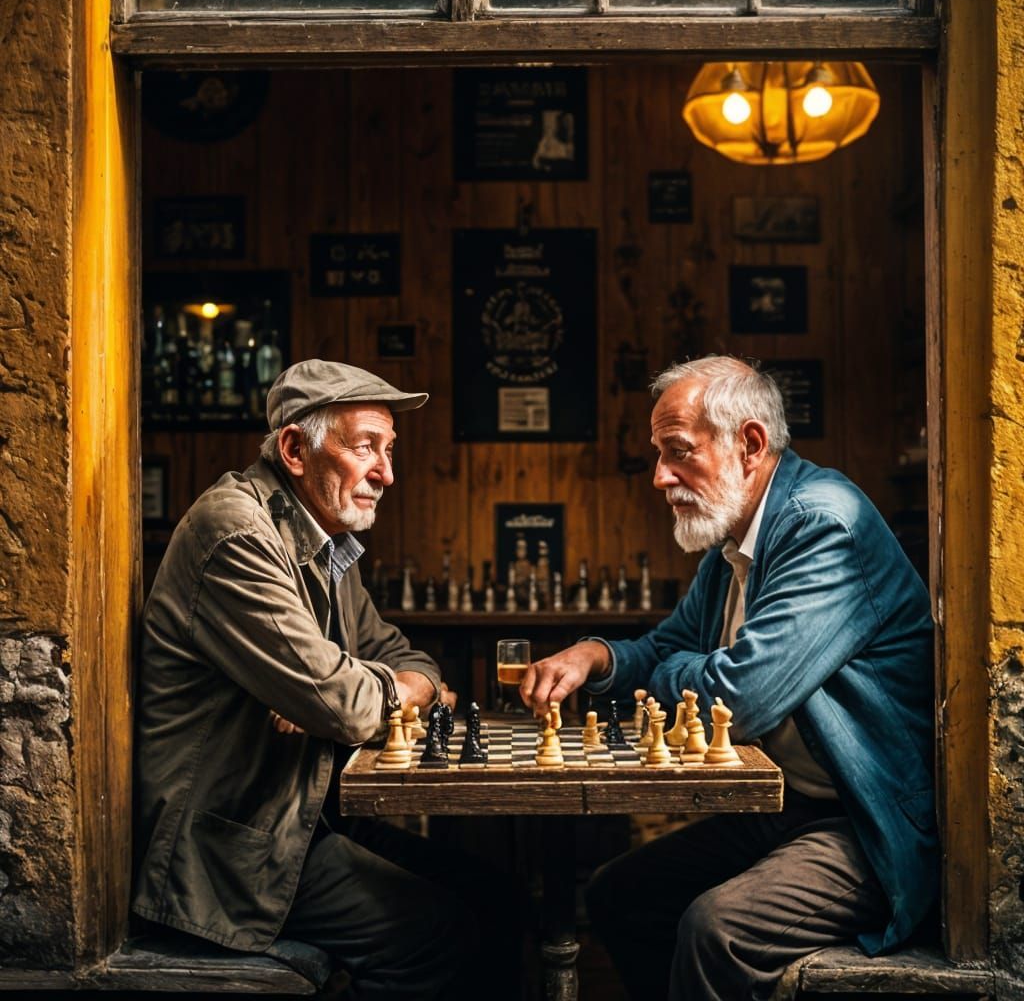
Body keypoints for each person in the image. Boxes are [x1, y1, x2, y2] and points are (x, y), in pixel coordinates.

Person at [521, 355, 938, 1001]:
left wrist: (675, 671)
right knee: (617, 894)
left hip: (865, 824)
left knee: (717, 931)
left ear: (749, 443)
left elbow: (739, 701)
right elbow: (670, 648)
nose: (660, 477)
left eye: (679, 452)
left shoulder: (823, 521)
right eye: (660, 455)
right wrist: (595, 657)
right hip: (785, 807)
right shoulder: (732, 544)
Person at [133, 358, 494, 1000]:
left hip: (301, 816)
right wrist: (354, 691)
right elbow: (349, 706)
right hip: (227, 853)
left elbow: (413, 667)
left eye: (388, 450)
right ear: (297, 449)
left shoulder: (322, 540)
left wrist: (380, 687)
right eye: (366, 448)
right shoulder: (237, 534)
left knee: (490, 889)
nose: (387, 473)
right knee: (442, 934)